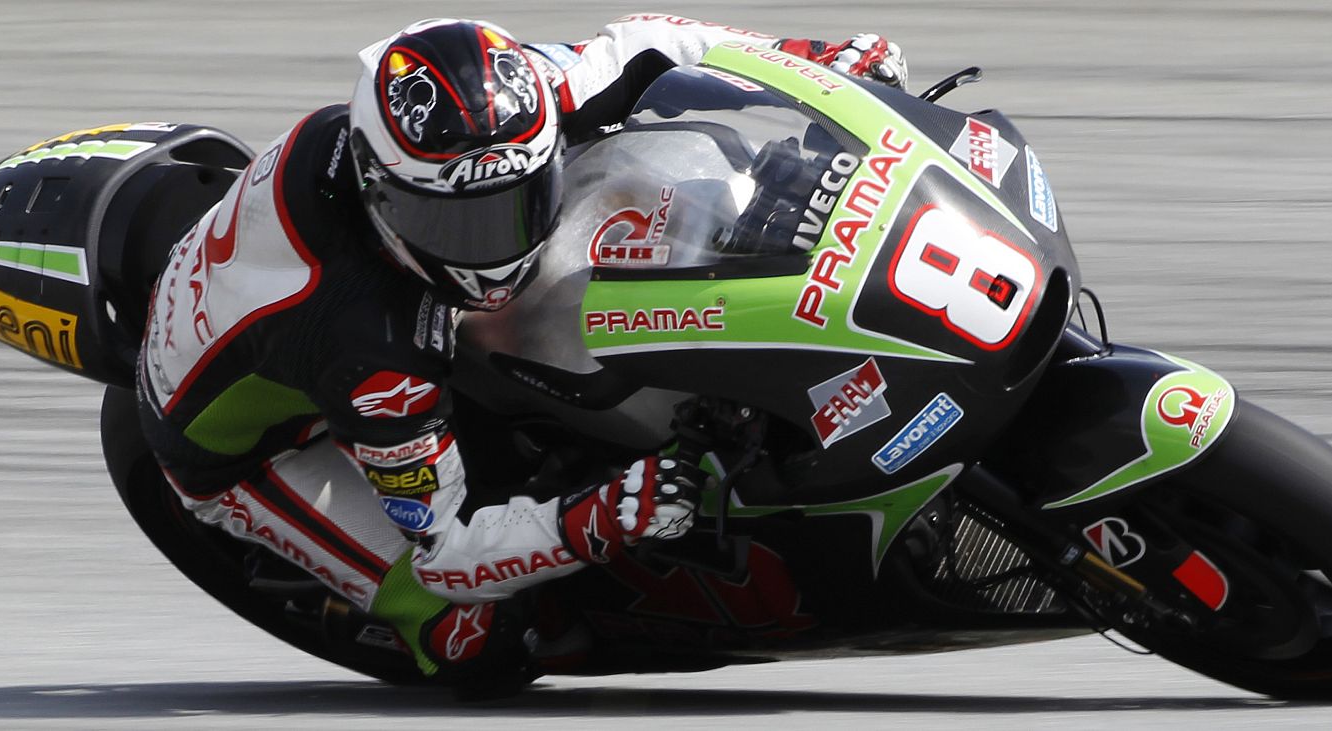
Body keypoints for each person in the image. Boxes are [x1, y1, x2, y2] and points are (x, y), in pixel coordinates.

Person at [135, 13, 909, 688]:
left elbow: (660, 43)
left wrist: (818, 60)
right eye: (463, 226)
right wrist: (604, 517)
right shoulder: (372, 348)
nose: (498, 247)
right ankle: (407, 613)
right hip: (242, 450)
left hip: (321, 311)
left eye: (519, 202)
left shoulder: (509, 102)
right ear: (383, 197)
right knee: (474, 637)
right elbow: (444, 545)